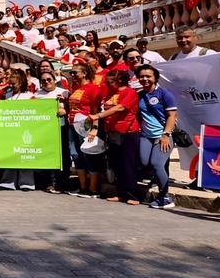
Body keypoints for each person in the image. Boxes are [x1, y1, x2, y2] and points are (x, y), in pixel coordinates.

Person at [91, 69, 141, 205]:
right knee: (117, 164)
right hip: (113, 132)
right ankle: (121, 194)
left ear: (120, 80)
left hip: (128, 132)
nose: (108, 83)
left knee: (128, 164)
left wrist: (99, 116)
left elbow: (120, 108)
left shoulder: (129, 92)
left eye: (111, 81)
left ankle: (132, 195)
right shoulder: (110, 93)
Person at [135, 65, 178, 210]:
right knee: (144, 162)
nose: (145, 79)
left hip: (162, 136)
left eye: (148, 76)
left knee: (156, 164)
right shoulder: (139, 95)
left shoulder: (165, 94)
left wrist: (166, 135)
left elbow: (172, 116)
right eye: (141, 76)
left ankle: (165, 197)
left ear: (155, 78)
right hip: (146, 136)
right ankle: (158, 181)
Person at [66, 62, 105, 199]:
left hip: (86, 126)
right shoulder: (76, 88)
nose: (72, 75)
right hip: (73, 125)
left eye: (74, 72)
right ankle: (83, 187)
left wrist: (94, 129)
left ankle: (93, 189)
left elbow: (95, 110)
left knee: (90, 155)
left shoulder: (93, 89)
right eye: (71, 72)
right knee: (76, 155)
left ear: (84, 73)